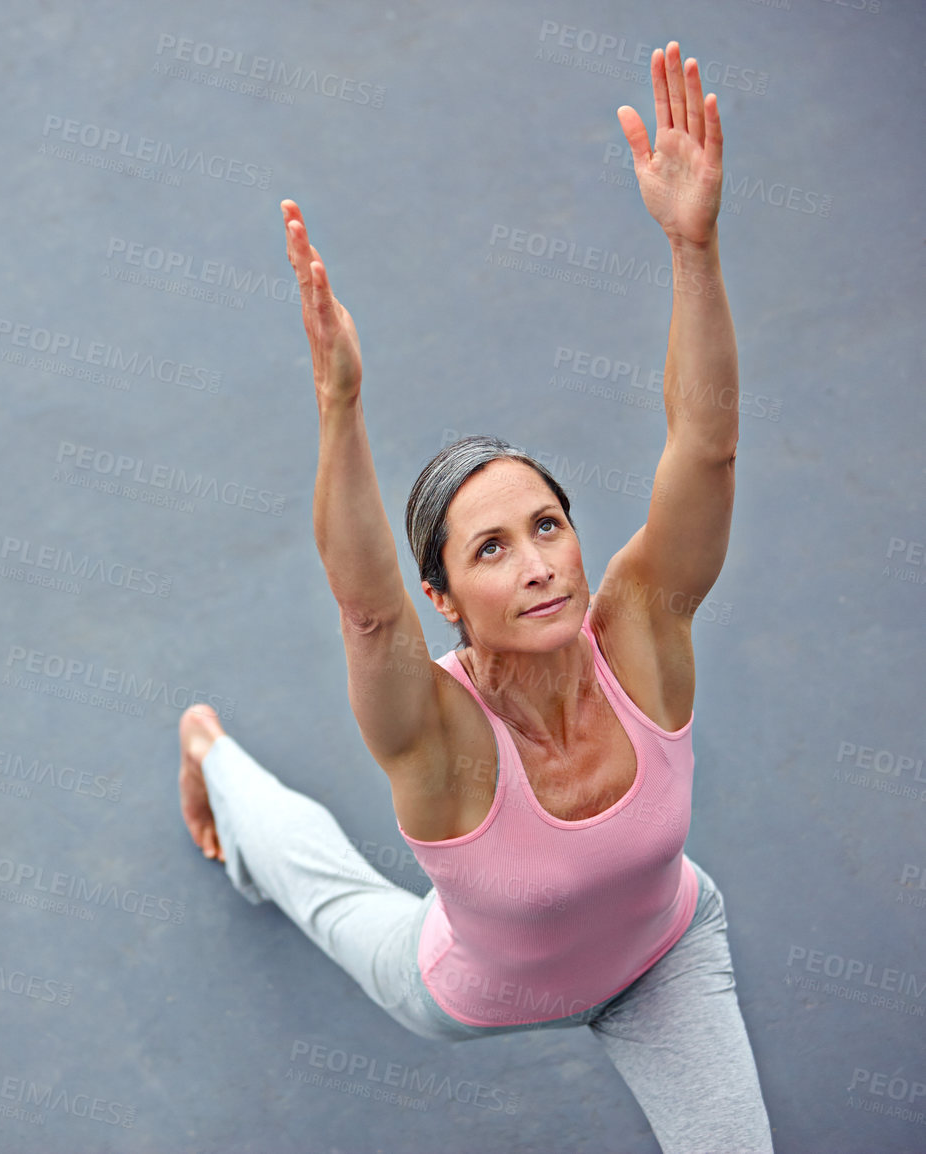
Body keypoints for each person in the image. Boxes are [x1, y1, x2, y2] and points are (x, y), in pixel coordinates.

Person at [177, 42, 773, 1154]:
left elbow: (708, 445)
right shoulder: (439, 736)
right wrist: (339, 404)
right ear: (443, 598)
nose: (538, 561)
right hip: (468, 994)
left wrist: (693, 249)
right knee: (334, 899)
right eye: (490, 549)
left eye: (546, 525)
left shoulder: (642, 631)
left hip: (664, 962)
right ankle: (210, 753)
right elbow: (363, 608)